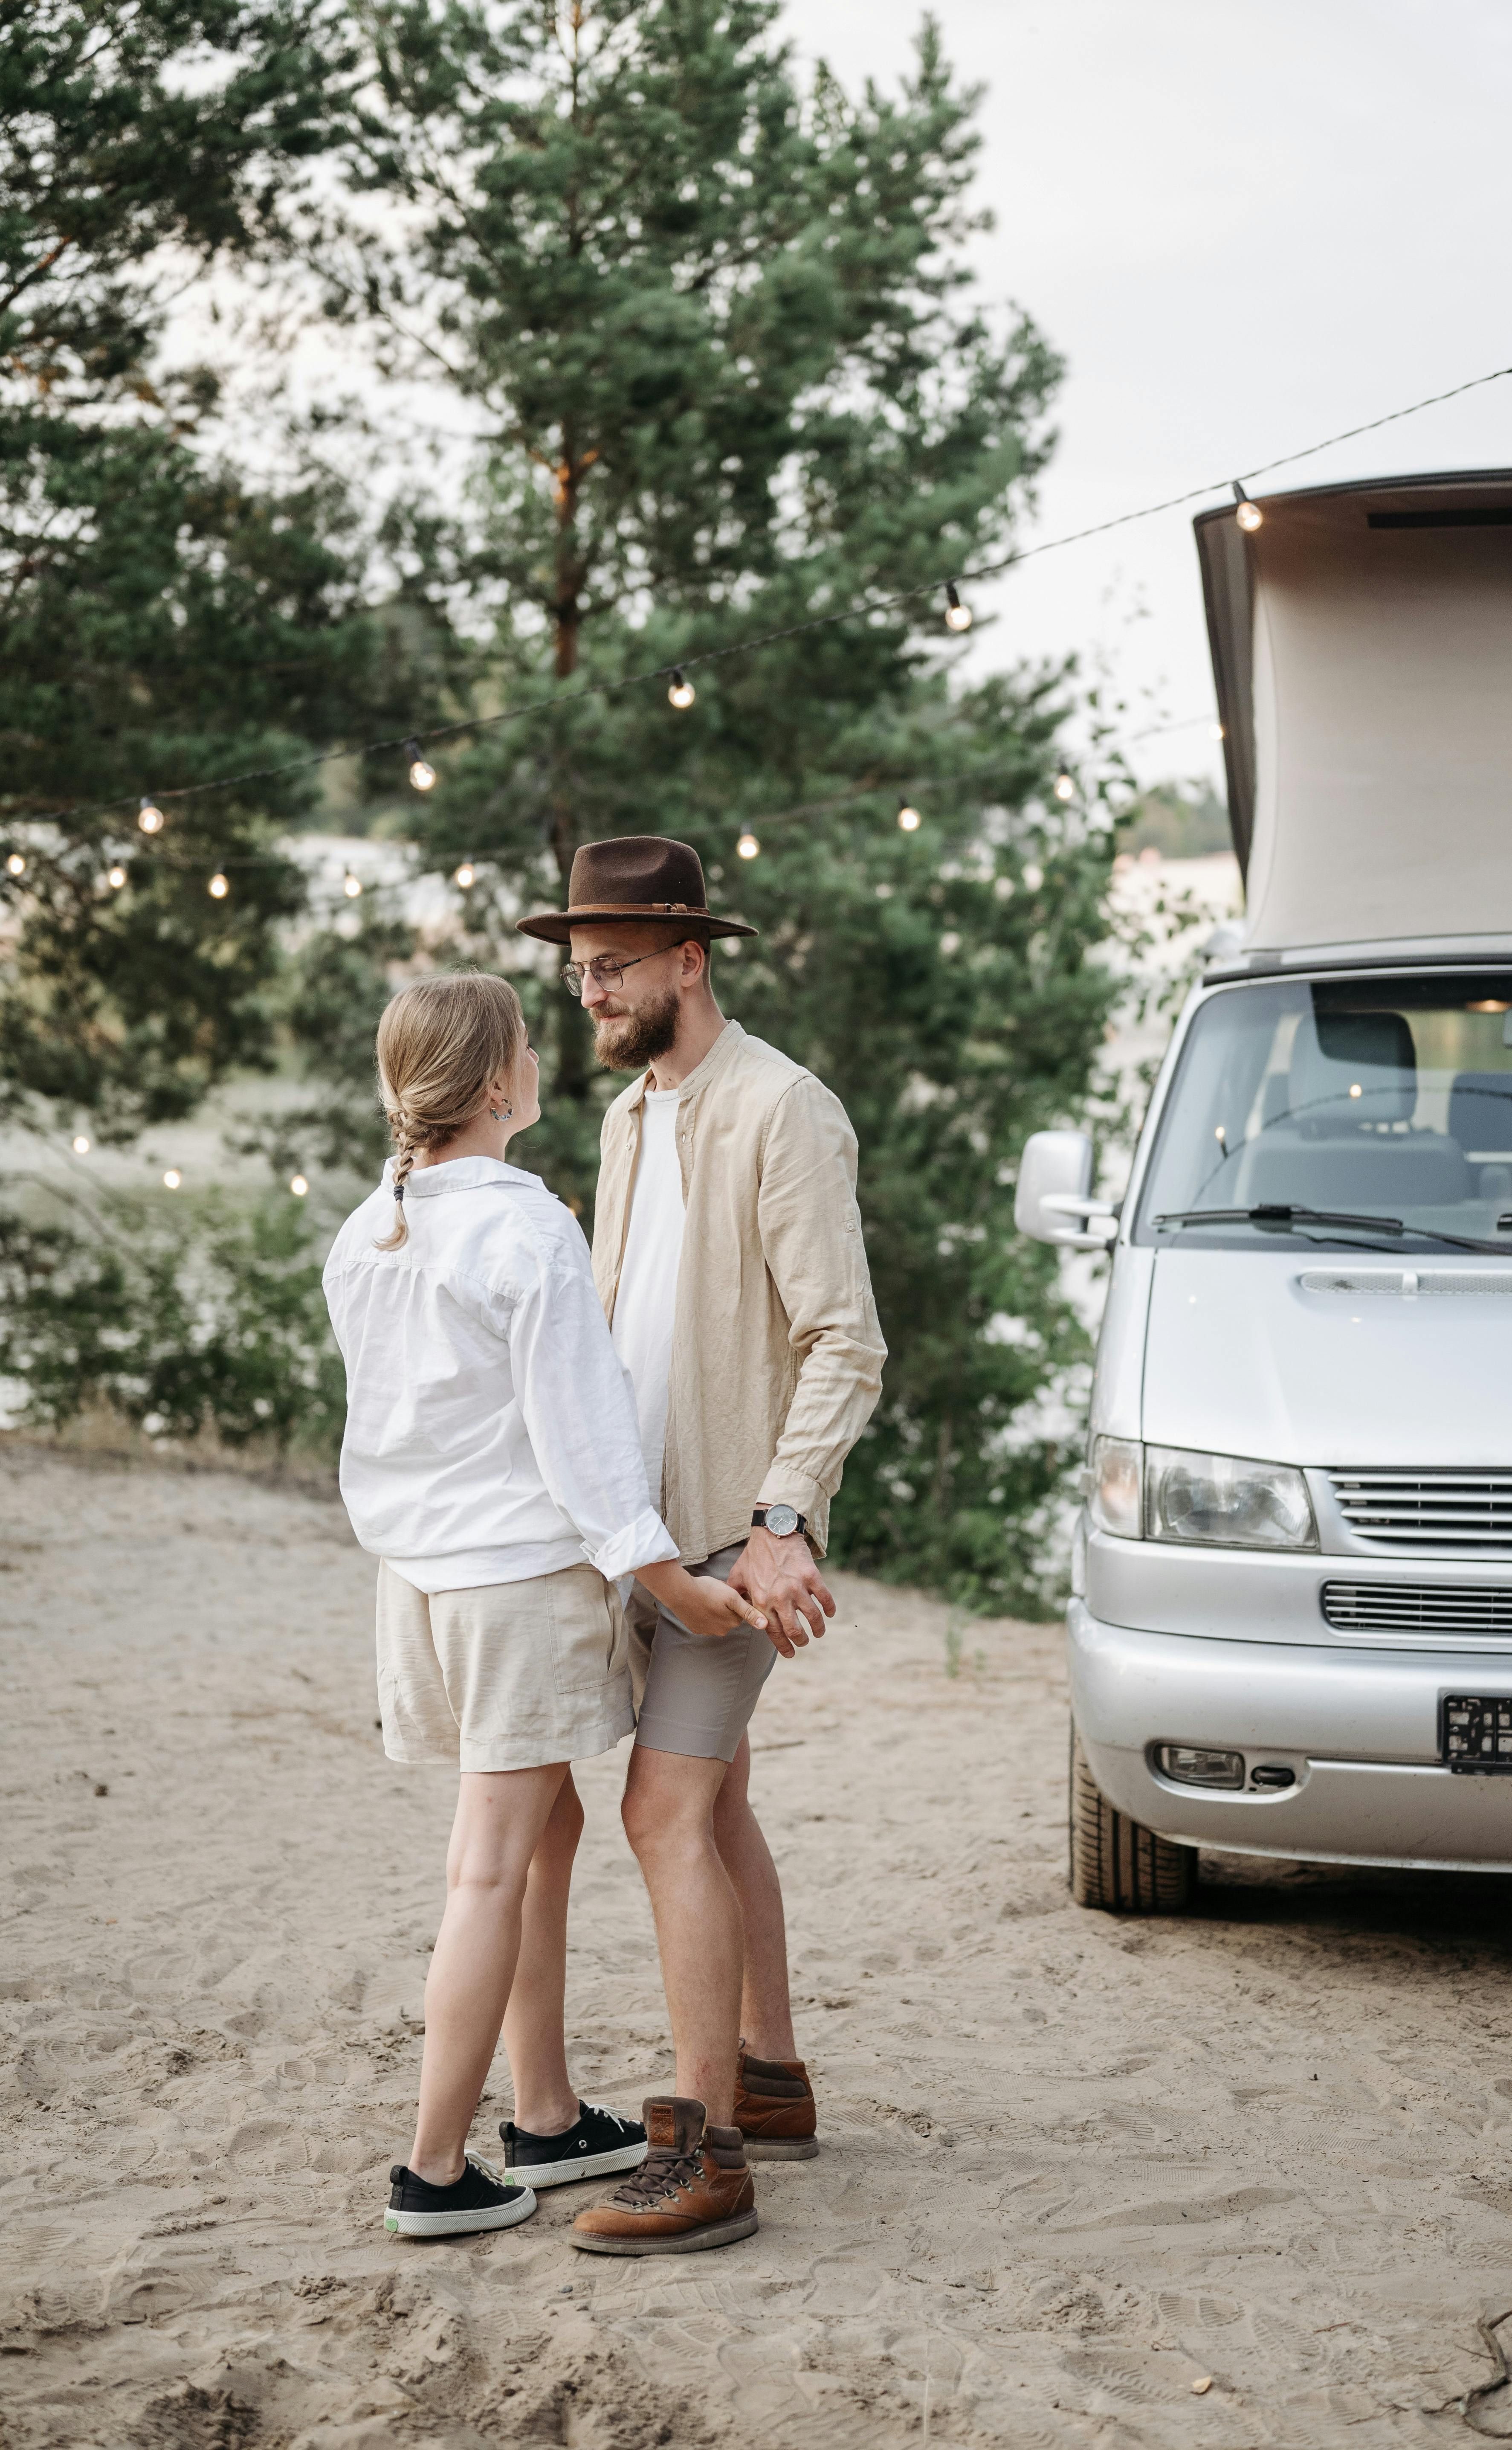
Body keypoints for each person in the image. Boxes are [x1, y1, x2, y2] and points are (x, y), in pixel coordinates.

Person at [321, 971, 765, 2241]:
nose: (538, 1056)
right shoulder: (525, 1227)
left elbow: (401, 1430)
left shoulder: (371, 1229)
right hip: (515, 1588)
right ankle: (434, 2172)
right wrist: (669, 1574)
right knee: (488, 1867)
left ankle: (551, 2116)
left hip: (418, 1590)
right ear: (498, 1082)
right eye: (525, 1042)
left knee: (541, 1836)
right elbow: (586, 1435)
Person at [515, 837, 886, 2255]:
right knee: (718, 1809)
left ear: (690, 958)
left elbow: (845, 1338)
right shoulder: (622, 1125)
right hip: (646, 1530)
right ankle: (772, 2077)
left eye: (610, 970)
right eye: (578, 973)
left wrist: (782, 1521)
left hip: (735, 1537)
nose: (590, 996)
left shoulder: (785, 1110)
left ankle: (707, 2149)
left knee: (661, 1815)